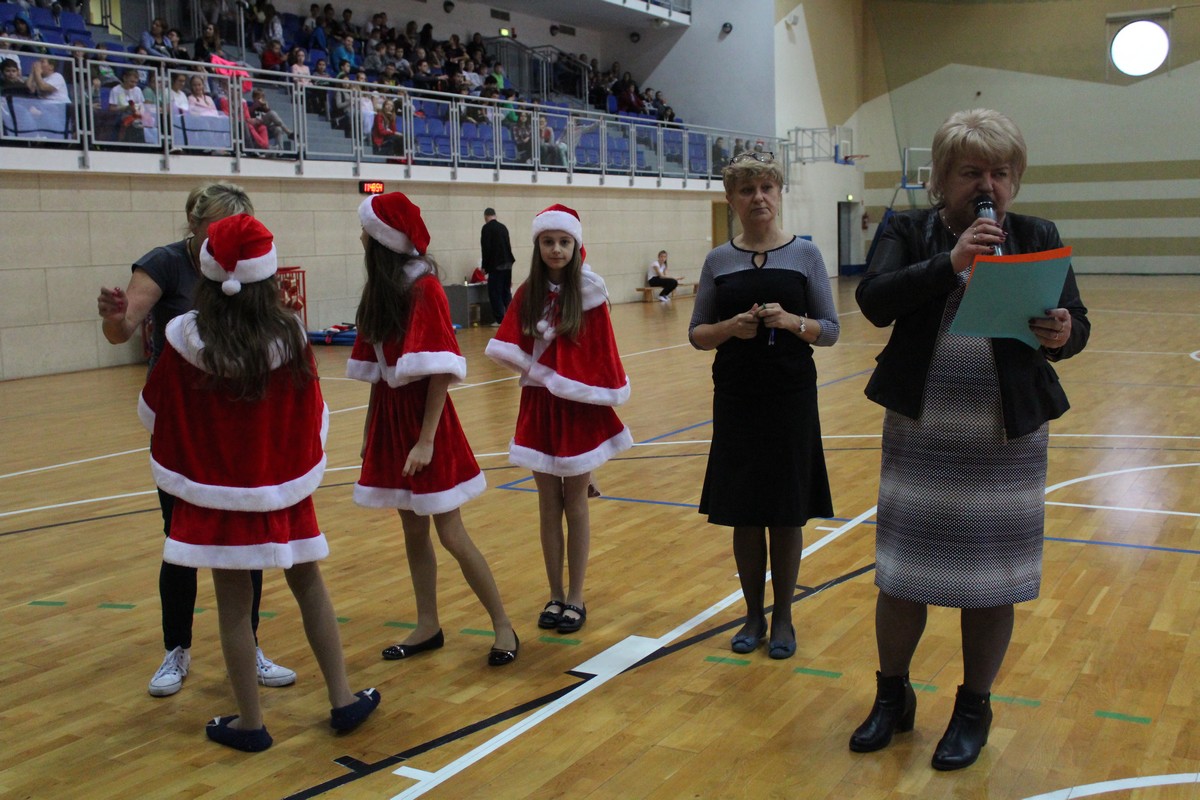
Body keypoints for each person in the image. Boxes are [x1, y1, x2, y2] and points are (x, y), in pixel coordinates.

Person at [848, 109, 1090, 770]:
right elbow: (874, 300)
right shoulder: (909, 229)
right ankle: (892, 696)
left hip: (1006, 438)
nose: (988, 185)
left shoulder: (1036, 235)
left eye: (1000, 172)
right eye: (972, 172)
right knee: (901, 575)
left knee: (991, 580)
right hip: (921, 430)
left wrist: (1063, 332)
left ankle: (973, 708)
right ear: (942, 178)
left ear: (1015, 179)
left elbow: (1077, 324)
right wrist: (950, 262)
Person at [138, 214, 380, 752]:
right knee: (309, 584)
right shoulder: (288, 336)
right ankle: (342, 699)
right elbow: (312, 413)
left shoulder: (183, 340)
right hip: (280, 488)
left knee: (233, 605)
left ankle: (250, 723)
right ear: (269, 277)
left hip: (215, 496)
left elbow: (155, 411)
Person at [96, 183, 297, 698]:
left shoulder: (246, 264)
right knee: (179, 539)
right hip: (184, 426)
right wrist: (114, 317)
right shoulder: (164, 264)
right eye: (219, 226)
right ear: (194, 224)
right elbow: (122, 330)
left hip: (238, 423)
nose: (229, 236)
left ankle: (249, 647)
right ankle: (176, 649)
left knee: (247, 539)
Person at [347, 193, 519, 667]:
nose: (360, 236)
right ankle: (427, 624)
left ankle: (503, 625)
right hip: (391, 417)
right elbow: (378, 372)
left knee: (451, 533)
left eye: (365, 230)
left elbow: (440, 372)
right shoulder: (380, 290)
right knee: (412, 529)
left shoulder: (425, 290)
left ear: (382, 240)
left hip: (427, 419)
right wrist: (369, 431)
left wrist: (426, 440)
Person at [687, 151, 839, 661]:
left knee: (787, 512)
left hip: (791, 397)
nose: (758, 198)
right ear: (731, 199)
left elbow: (830, 331)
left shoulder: (806, 256)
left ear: (778, 194)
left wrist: (793, 322)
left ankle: (784, 617)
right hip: (736, 398)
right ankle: (752, 615)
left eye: (766, 188)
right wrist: (731, 328)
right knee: (745, 512)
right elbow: (697, 334)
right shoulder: (718, 261)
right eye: (747, 190)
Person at [485, 205, 633, 635]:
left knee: (576, 502)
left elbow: (601, 354)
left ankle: (576, 596)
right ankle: (554, 592)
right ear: (538, 246)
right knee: (548, 503)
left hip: (578, 408)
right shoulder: (527, 293)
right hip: (538, 405)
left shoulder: (590, 292)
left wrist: (582, 390)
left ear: (576, 245)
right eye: (548, 242)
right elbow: (513, 345)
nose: (556, 249)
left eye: (564, 242)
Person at [480, 207, 515, 325]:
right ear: (495, 215)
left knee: (495, 292)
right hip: (508, 263)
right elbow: (508, 245)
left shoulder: (486, 228)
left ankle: (500, 319)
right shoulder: (503, 227)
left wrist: (484, 266)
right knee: (506, 291)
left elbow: (486, 248)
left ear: (486, 217)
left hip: (496, 264)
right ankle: (511, 317)